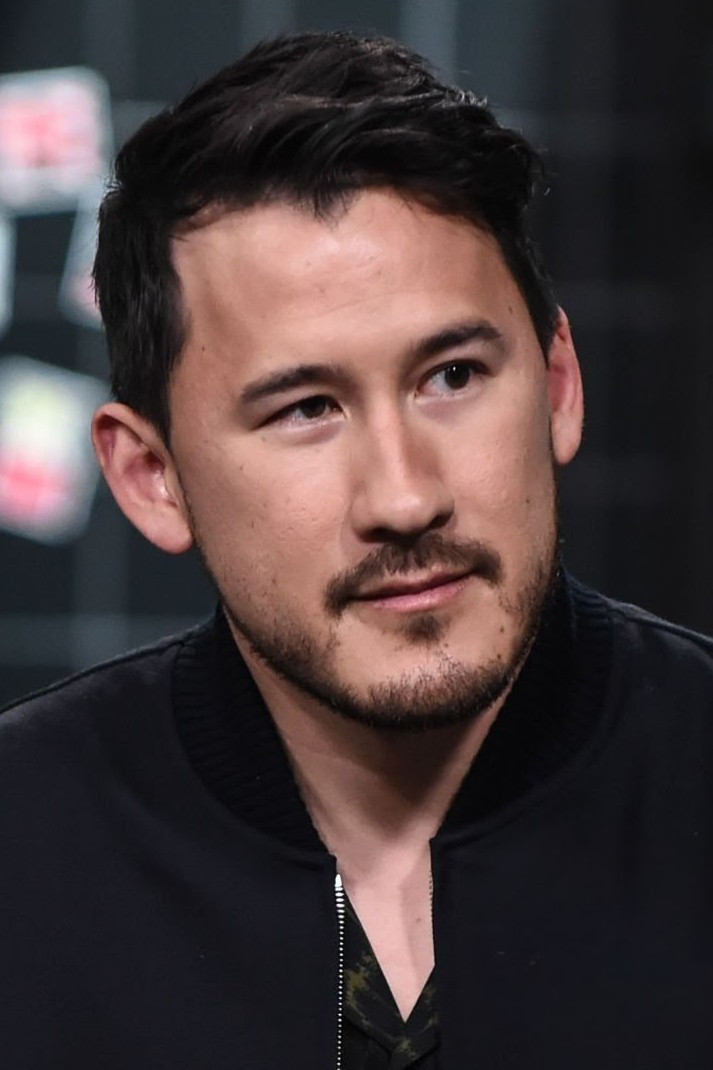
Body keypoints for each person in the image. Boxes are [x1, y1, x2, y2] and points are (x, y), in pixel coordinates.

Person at [1, 29, 712, 1070]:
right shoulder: (24, 845)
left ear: (557, 384)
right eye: (305, 408)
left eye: (452, 377)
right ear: (151, 477)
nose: (404, 497)